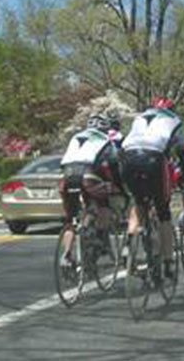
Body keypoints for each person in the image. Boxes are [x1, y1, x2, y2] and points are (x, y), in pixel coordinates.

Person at [121, 95, 184, 278]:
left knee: (138, 203)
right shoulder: (175, 121)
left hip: (128, 158)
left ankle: (129, 244)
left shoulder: (140, 117)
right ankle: (168, 262)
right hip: (154, 159)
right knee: (163, 213)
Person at [58, 113, 126, 267]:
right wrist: (119, 188)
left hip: (67, 176)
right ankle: (100, 237)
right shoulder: (105, 141)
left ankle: (66, 256)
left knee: (70, 219)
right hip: (88, 176)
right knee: (103, 204)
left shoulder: (75, 137)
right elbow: (114, 167)